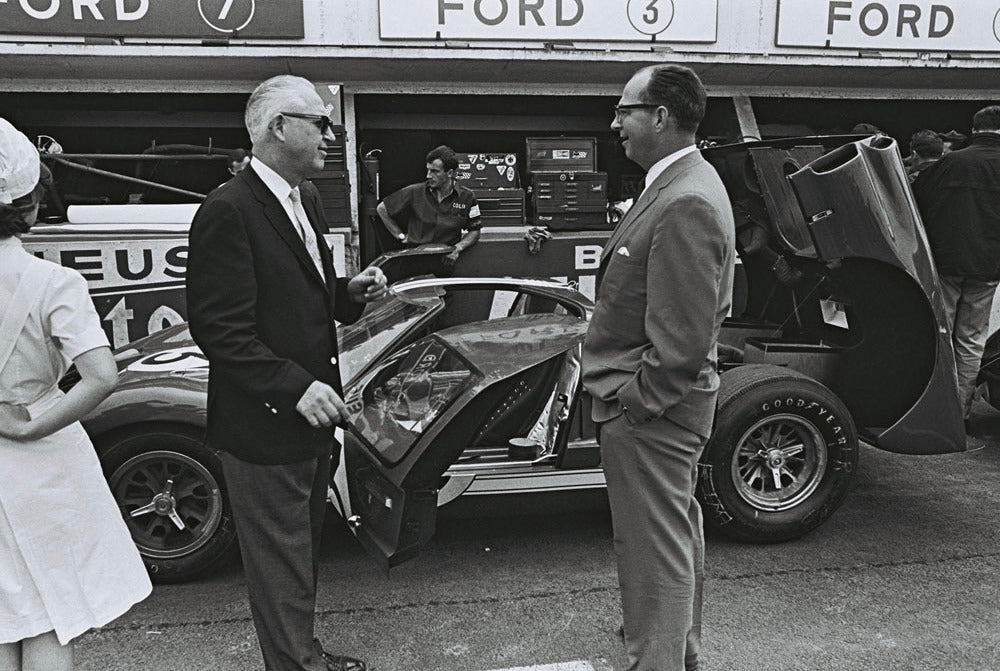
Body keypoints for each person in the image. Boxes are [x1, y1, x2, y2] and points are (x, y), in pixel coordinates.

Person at [186, 75, 387, 671]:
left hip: (310, 420)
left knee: (299, 558)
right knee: (279, 566)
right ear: (279, 128)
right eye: (321, 122)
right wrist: (296, 387)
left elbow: (304, 294)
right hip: (265, 424)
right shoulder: (228, 209)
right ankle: (297, 664)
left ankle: (303, 654)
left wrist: (348, 293)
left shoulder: (308, 199)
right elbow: (221, 331)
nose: (331, 134)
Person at [582, 65, 735, 671]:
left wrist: (636, 401)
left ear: (661, 117)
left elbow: (683, 338)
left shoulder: (686, 198)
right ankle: (681, 648)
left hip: (653, 411)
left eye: (625, 110)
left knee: (652, 550)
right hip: (659, 406)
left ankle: (658, 660)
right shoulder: (680, 182)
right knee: (674, 534)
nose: (615, 122)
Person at [0, 117, 152, 670]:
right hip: (41, 458)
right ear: (29, 202)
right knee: (48, 616)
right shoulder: (52, 283)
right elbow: (101, 376)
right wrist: (31, 425)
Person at [913, 106, 1000, 423]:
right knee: (972, 340)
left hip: (947, 263)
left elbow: (918, 207)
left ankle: (934, 410)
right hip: (988, 267)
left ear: (976, 129)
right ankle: (959, 414)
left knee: (941, 335)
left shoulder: (949, 163)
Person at [376, 145, 481, 267]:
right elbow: (382, 209)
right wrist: (401, 236)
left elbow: (475, 230)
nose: (428, 175)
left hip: (445, 261)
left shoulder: (467, 197)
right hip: (415, 260)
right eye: (428, 170)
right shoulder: (414, 192)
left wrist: (458, 248)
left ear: (450, 173)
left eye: (434, 171)